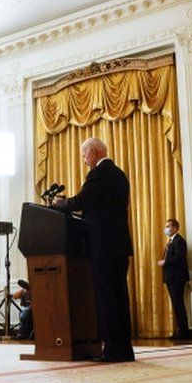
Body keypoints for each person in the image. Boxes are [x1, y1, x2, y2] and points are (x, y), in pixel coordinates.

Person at [52, 137, 135, 362]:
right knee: (119, 297)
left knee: (107, 298)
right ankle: (124, 349)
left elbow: (82, 200)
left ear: (93, 152)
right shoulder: (119, 174)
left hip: (103, 246)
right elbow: (99, 206)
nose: (84, 161)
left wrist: (60, 205)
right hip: (119, 245)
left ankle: (112, 351)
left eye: (84, 156)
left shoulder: (99, 173)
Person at [157, 219, 191, 340]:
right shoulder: (171, 242)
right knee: (176, 304)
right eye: (165, 226)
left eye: (168, 226)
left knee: (178, 304)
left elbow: (179, 258)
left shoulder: (179, 241)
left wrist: (164, 262)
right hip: (171, 278)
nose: (166, 229)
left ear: (175, 228)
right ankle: (181, 330)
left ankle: (184, 331)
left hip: (176, 277)